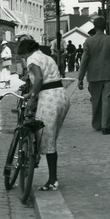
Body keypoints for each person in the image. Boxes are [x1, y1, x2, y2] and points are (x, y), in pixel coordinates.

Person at [17, 35, 70, 191]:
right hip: (61, 96)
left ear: (26, 52)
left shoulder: (32, 59)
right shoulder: (47, 57)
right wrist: (32, 93)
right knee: (50, 137)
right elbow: (49, 79)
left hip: (49, 99)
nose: (23, 59)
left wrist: (33, 96)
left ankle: (52, 180)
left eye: (22, 56)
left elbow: (39, 78)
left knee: (46, 139)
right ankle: (49, 175)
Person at [77, 17, 110, 134]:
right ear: (105, 27)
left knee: (96, 100)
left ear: (95, 26)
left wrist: (80, 78)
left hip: (94, 74)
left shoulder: (89, 41)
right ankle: (105, 126)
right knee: (107, 100)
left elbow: (84, 61)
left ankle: (97, 124)